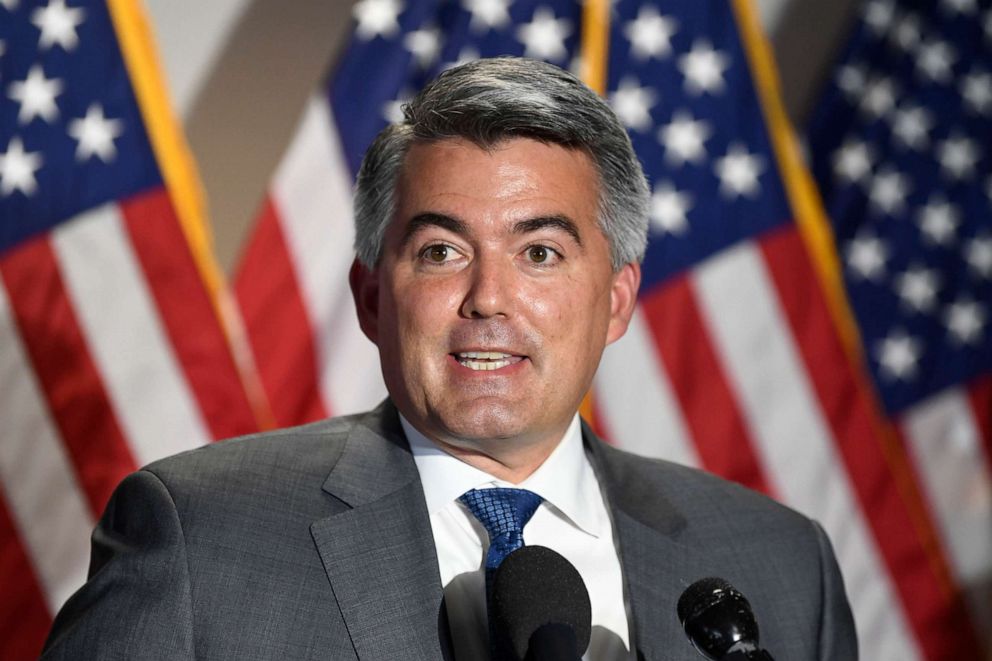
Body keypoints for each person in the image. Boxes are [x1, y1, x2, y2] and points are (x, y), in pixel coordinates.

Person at [42, 57, 856, 660]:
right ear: (370, 299)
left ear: (615, 300)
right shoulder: (200, 537)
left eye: (540, 253)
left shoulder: (781, 563)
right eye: (439, 251)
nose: (489, 299)